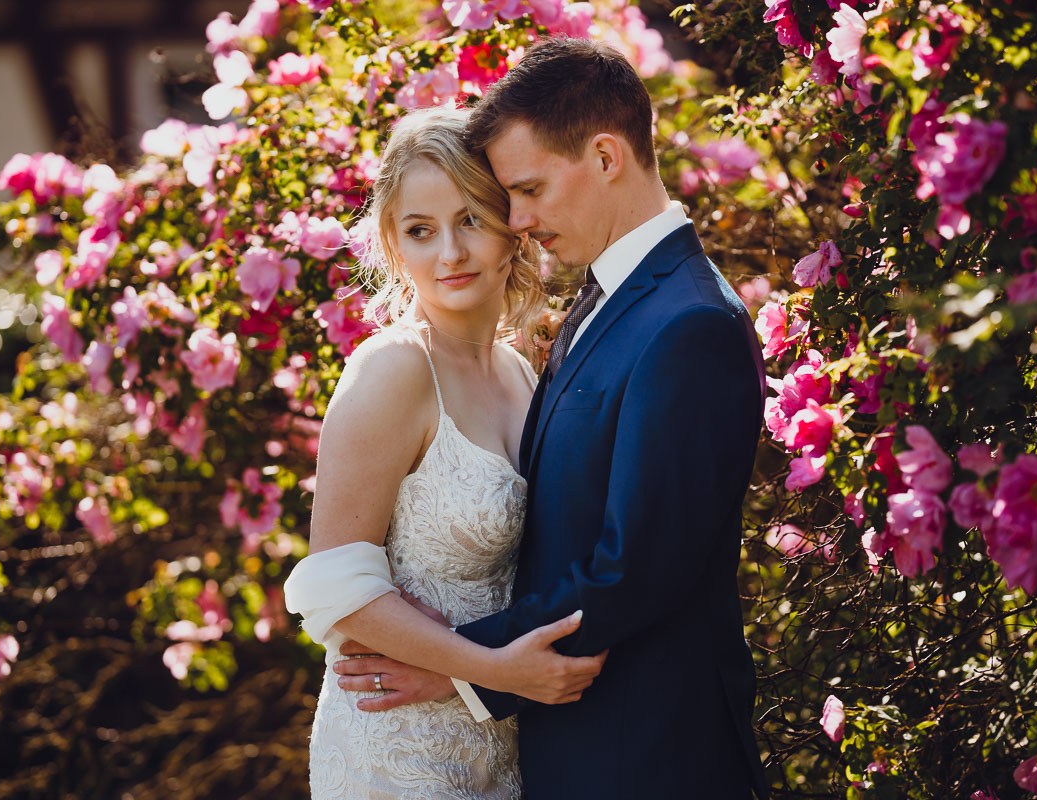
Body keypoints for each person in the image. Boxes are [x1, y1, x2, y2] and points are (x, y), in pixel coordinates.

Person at [334, 39, 770, 799]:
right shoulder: (609, 298)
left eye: (527, 190)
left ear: (606, 157)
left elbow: (632, 569)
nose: (521, 220)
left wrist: (458, 667)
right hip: (548, 749)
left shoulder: (687, 321)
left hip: (649, 757)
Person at [282, 105, 606, 799]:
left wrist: (487, 681)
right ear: (394, 247)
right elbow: (334, 589)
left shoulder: (520, 374)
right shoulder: (394, 370)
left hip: (503, 743)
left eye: (470, 220)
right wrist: (493, 671)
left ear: (512, 228)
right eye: (421, 231)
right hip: (399, 751)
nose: (450, 255)